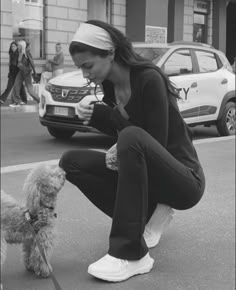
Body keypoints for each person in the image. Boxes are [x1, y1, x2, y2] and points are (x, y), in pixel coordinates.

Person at [59, 20, 206, 282]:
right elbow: (126, 139)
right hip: (149, 177)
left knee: (132, 137)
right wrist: (96, 116)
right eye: (81, 67)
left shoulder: (149, 79)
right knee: (71, 162)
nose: (85, 74)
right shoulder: (109, 88)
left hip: (183, 179)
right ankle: (143, 218)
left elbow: (152, 142)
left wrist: (108, 117)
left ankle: (131, 254)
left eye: (88, 65)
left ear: (111, 53)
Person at [8, 40, 40, 107]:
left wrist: (35, 72)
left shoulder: (26, 53)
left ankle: (39, 100)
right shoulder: (19, 52)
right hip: (21, 71)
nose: (18, 46)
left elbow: (32, 63)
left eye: (19, 45)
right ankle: (17, 102)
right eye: (18, 45)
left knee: (29, 90)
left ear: (22, 46)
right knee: (16, 85)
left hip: (27, 72)